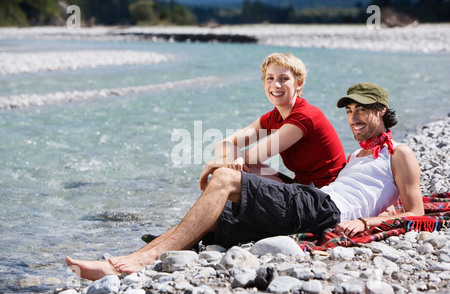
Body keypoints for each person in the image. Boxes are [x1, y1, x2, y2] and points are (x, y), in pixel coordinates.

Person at [66, 82, 424, 281]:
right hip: (314, 200)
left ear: (380, 111)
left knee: (225, 177)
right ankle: (120, 263)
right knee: (217, 222)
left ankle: (147, 259)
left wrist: (365, 221)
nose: (353, 117)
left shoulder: (399, 153)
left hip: (325, 208)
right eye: (348, 111)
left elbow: (416, 212)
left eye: (361, 109)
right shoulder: (359, 155)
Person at [199, 52, 346, 189]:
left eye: (284, 78)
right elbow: (221, 145)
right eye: (270, 78)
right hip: (302, 185)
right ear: (264, 83)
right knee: (236, 167)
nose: (276, 85)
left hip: (324, 194)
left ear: (299, 83)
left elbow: (252, 157)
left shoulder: (304, 117)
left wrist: (213, 163)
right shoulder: (274, 117)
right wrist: (233, 151)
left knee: (228, 170)